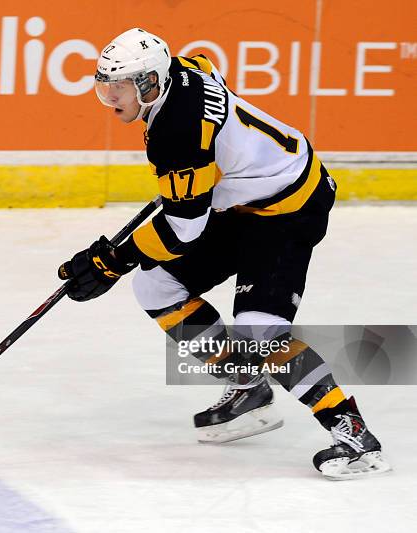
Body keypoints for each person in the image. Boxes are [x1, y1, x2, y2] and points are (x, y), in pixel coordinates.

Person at [59, 28, 390, 480]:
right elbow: (205, 67)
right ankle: (248, 386)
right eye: (104, 87)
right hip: (246, 202)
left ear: (152, 84)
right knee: (156, 284)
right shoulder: (185, 70)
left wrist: (112, 259)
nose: (110, 97)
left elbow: (183, 229)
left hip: (292, 208)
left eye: (119, 88)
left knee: (261, 335)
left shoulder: (176, 131)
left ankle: (356, 439)